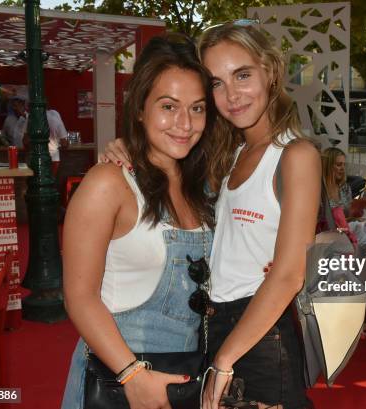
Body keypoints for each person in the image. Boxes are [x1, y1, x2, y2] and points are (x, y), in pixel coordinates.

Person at [101, 21, 322, 409]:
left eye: (243, 75)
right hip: (215, 328)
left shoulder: (296, 155)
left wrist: (224, 360)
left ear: (270, 71)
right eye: (217, 83)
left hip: (258, 337)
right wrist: (125, 147)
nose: (232, 94)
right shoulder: (232, 153)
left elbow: (289, 273)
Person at [61, 33, 217, 409]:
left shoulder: (203, 186)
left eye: (197, 108)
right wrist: (132, 374)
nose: (184, 123)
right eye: (168, 106)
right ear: (140, 108)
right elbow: (79, 297)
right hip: (118, 380)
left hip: (185, 379)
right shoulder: (108, 183)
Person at [323, 147, 352, 211]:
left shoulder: (345, 188)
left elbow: (349, 214)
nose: (343, 168)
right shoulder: (319, 190)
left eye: (344, 165)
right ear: (328, 166)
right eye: (339, 164)